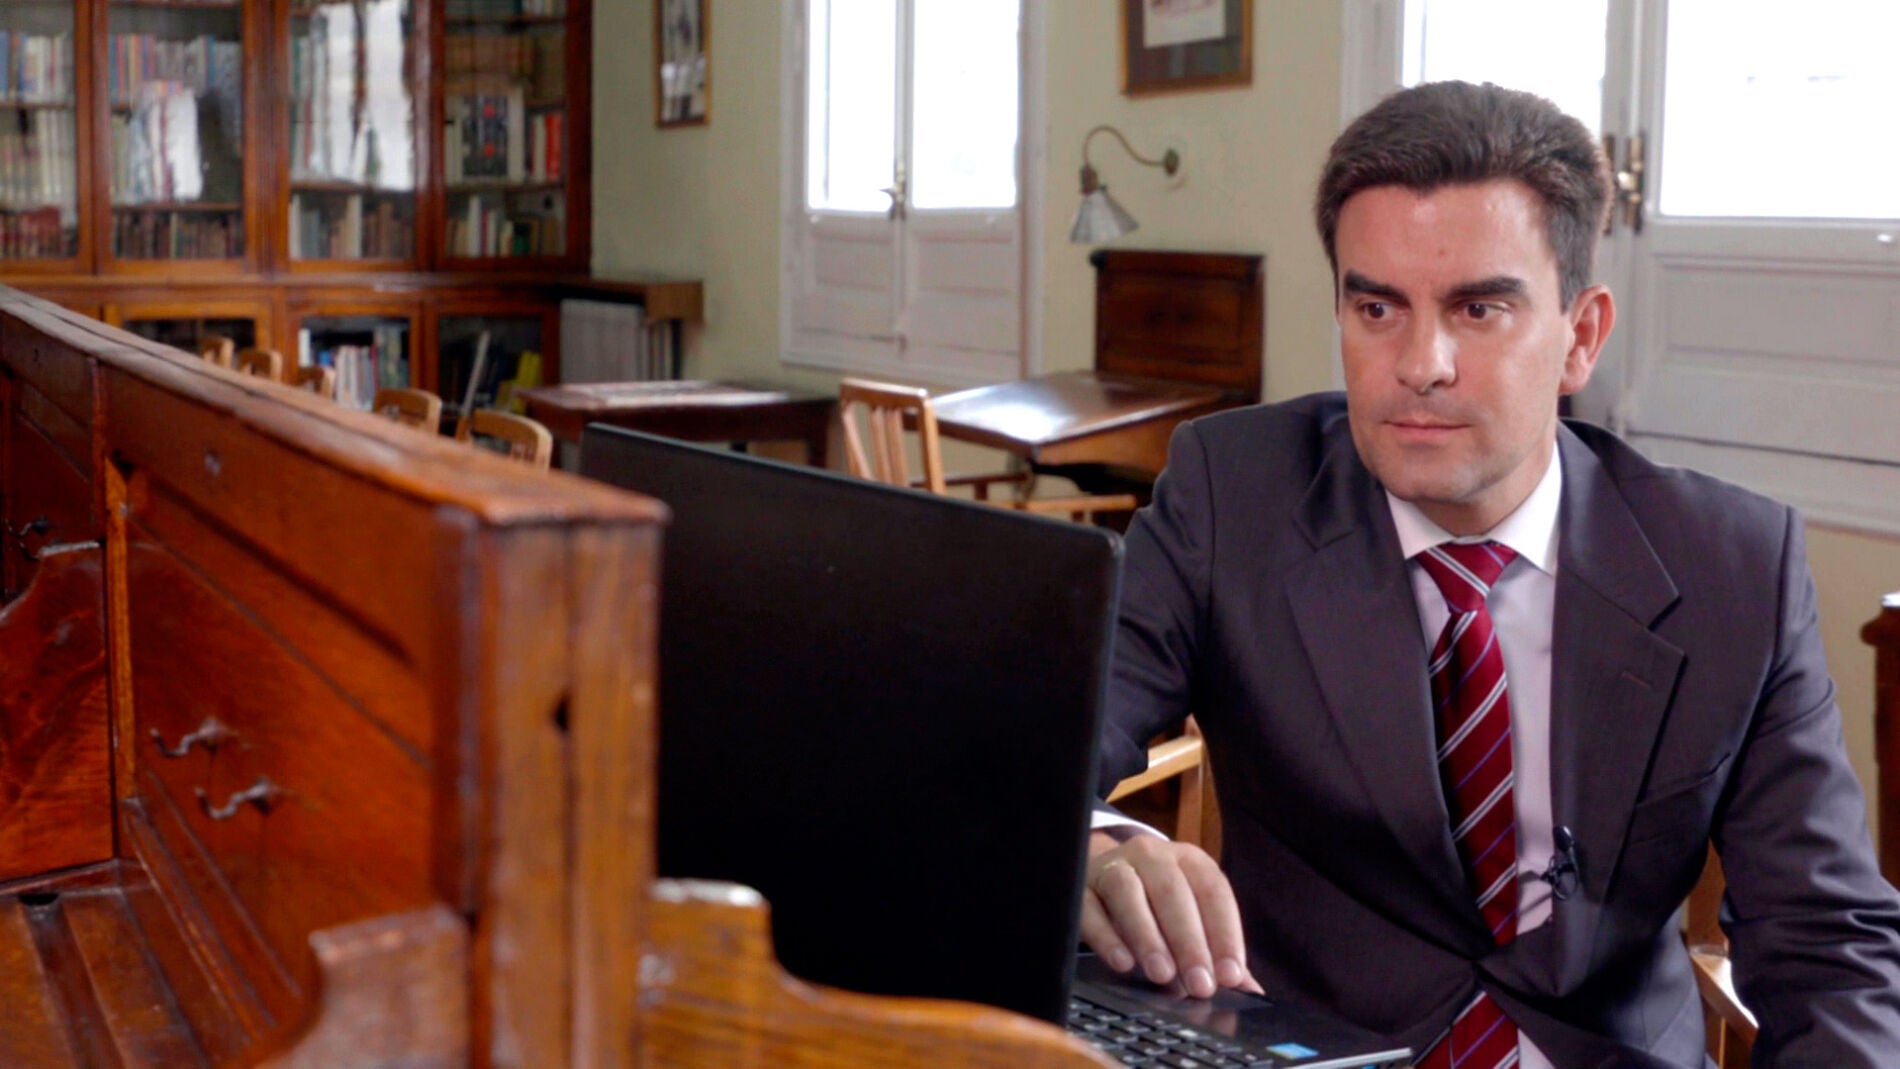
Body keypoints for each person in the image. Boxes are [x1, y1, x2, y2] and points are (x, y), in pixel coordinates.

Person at [1083, 80, 1900, 1069]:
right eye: (1376, 306)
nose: (1420, 363)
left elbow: (1827, 946)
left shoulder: (1733, 567)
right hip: (1317, 1051)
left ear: (1580, 336)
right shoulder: (1233, 496)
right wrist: (1095, 842)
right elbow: (1025, 748)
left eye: (1478, 309)